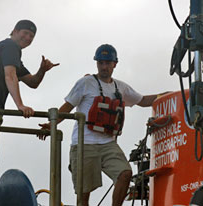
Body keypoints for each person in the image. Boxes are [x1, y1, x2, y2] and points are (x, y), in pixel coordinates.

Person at [39, 44, 162, 206]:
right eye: (101, 63)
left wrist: (170, 95)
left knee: (125, 173)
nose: (104, 66)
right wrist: (51, 125)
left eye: (107, 63)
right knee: (84, 194)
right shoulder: (85, 83)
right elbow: (67, 108)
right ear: (97, 63)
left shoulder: (121, 87)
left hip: (108, 144)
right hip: (84, 144)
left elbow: (143, 100)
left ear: (114, 64)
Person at [0, 19, 59, 189]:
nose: (28, 37)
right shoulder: (10, 47)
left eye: (31, 36)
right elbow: (10, 76)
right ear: (15, 31)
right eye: (25, 33)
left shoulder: (13, 54)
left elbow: (32, 82)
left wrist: (42, 70)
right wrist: (20, 105)